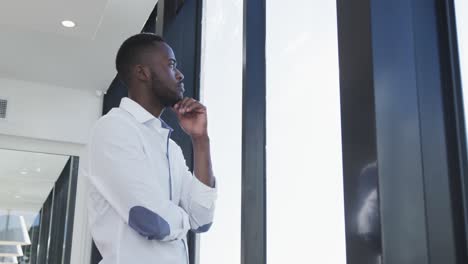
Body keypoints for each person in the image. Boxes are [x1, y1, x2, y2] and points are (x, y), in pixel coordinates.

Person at [82, 33, 217, 264]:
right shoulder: (113, 128)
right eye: (171, 64)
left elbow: (202, 219)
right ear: (142, 72)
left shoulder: (170, 147)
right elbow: (151, 219)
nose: (180, 74)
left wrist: (201, 141)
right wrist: (186, 220)